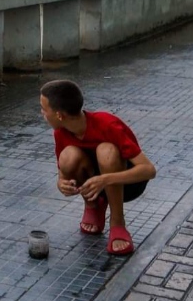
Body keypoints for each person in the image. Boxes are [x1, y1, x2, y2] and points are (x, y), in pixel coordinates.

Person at [40, 80, 156, 256]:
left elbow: (149, 170)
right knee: (68, 155)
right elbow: (62, 173)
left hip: (127, 185)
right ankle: (94, 206)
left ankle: (117, 223)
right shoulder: (61, 132)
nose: (42, 114)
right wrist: (61, 184)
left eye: (44, 109)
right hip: (96, 186)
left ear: (60, 115)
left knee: (106, 150)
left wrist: (106, 179)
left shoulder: (107, 124)